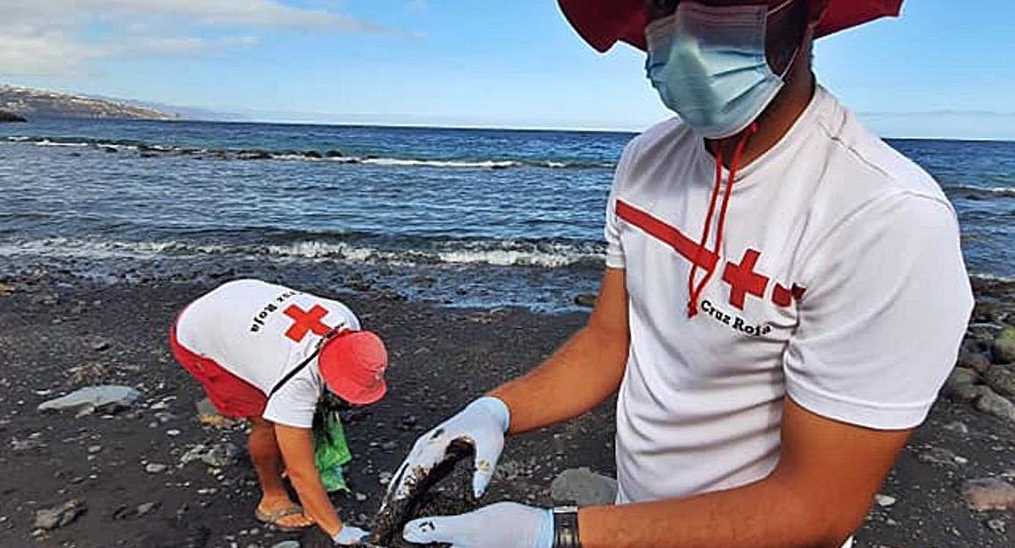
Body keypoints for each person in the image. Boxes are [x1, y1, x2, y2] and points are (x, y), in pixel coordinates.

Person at [391, 0, 974, 546]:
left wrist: (560, 534)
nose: (689, 29)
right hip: (633, 516)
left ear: (809, 11)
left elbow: (817, 505)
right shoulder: (647, 159)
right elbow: (609, 340)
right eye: (665, 0)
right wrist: (494, 411)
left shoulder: (884, 218)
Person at [170, 279, 387, 546]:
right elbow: (301, 473)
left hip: (239, 296)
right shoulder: (294, 380)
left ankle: (276, 433)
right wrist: (338, 531)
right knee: (265, 421)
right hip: (196, 333)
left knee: (293, 415)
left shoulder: (346, 319)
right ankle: (271, 498)